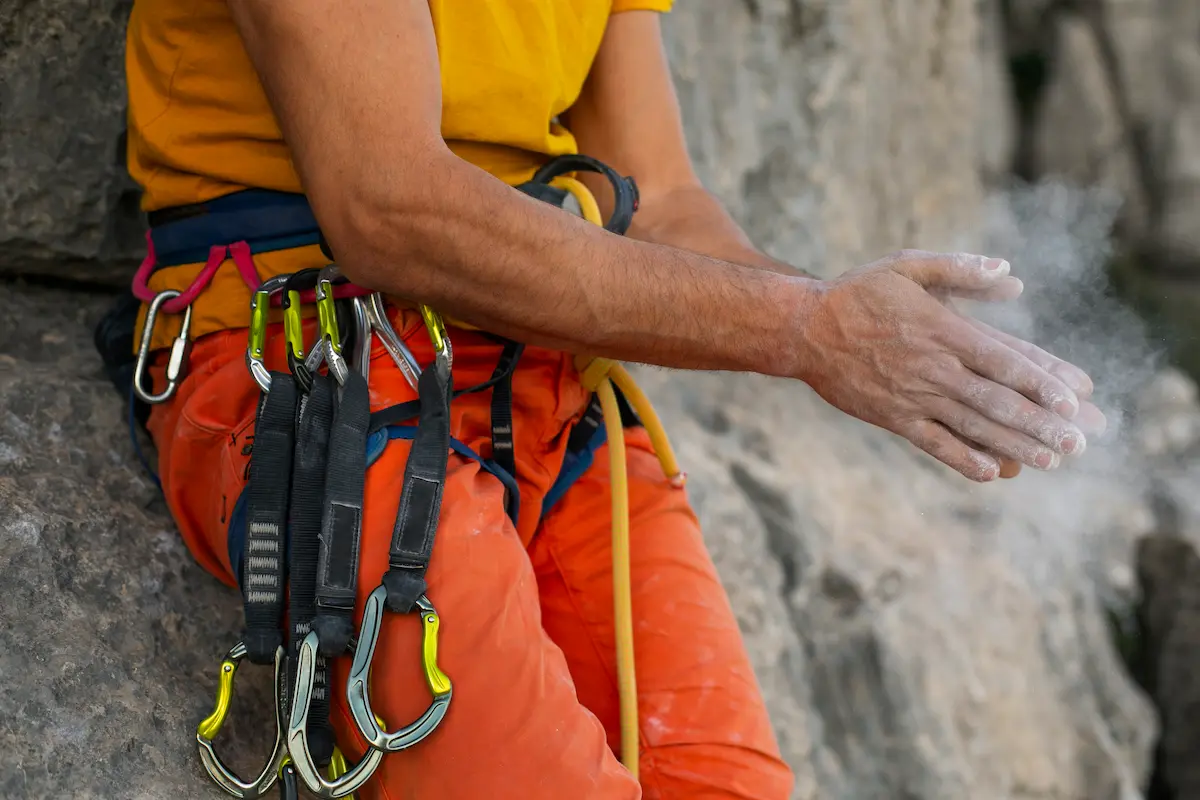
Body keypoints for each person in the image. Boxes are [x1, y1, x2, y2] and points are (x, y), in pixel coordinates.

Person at [123, 1, 1105, 798]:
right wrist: (802, 328)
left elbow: (665, 200)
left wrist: (855, 321)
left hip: (547, 387)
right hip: (318, 372)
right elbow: (390, 205)